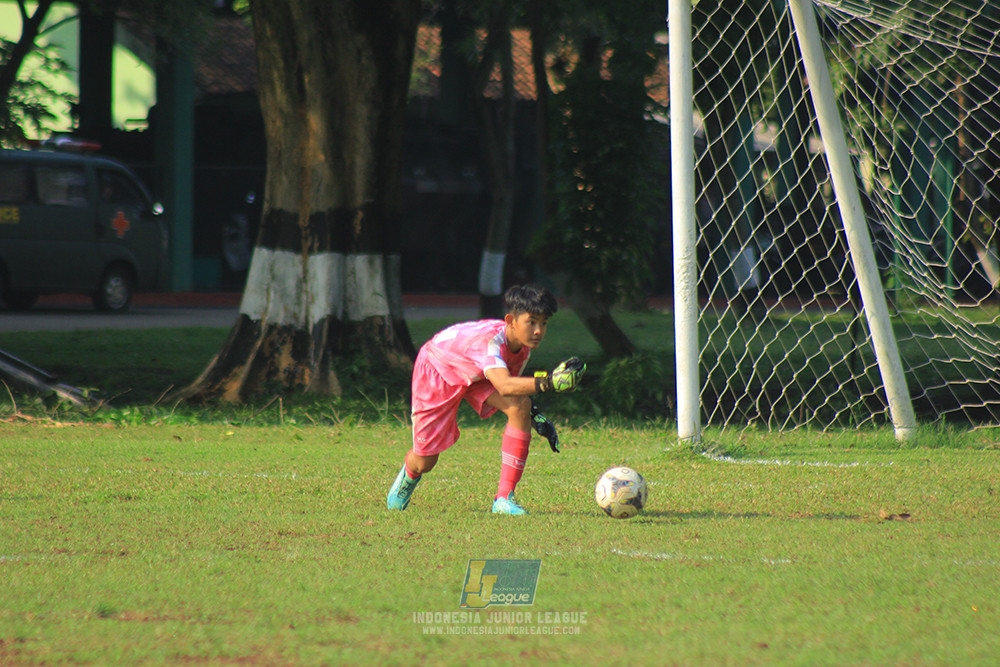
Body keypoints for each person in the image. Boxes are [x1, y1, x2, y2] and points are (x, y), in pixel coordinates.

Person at [386, 284, 585, 515]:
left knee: (520, 406)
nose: (538, 330)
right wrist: (549, 382)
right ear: (511, 320)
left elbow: (512, 389)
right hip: (438, 368)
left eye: (543, 323)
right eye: (531, 322)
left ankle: (504, 499)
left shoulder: (522, 347)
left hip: (477, 374)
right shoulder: (490, 343)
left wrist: (535, 415)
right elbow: (504, 384)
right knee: (425, 462)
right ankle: (406, 480)